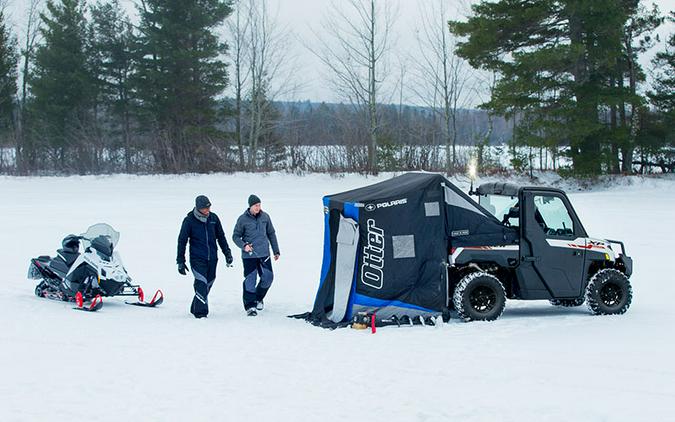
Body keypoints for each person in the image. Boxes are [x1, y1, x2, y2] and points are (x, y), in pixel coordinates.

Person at [177, 195, 233, 318]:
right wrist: (180, 261)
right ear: (198, 208)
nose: (207, 210)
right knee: (201, 283)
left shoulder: (214, 218)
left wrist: (227, 253)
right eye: (204, 208)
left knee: (209, 281)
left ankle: (195, 306)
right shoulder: (189, 220)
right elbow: (182, 241)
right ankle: (201, 313)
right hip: (197, 258)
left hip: (212, 258)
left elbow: (221, 237)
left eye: (209, 207)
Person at [232, 194, 280, 316]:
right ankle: (250, 306)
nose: (258, 207)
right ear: (250, 206)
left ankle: (258, 298)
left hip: (264, 253)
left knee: (268, 277)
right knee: (250, 280)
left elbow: (271, 233)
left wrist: (276, 250)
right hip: (249, 255)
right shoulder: (242, 219)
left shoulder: (265, 217)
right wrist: (244, 246)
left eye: (259, 205)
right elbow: (235, 236)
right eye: (255, 205)